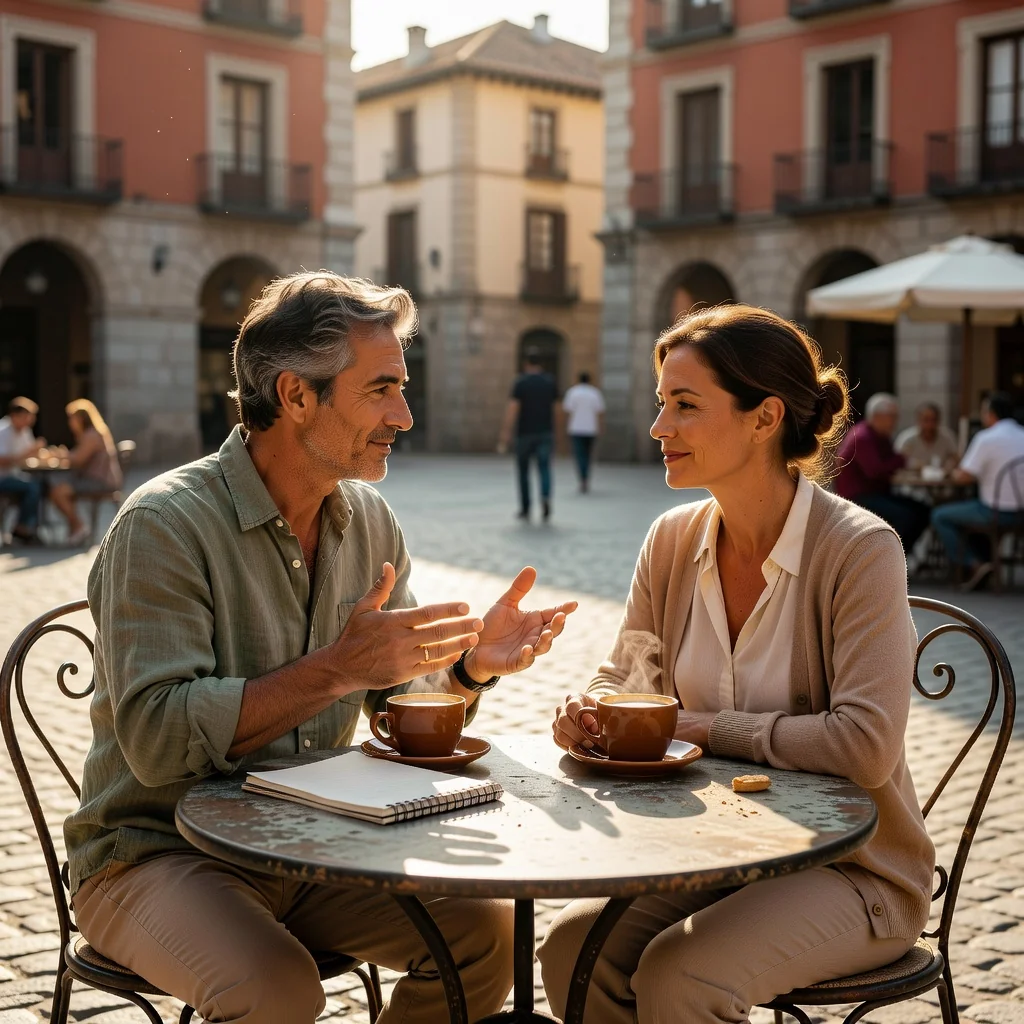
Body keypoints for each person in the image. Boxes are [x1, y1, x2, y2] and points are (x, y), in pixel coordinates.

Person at [65, 272, 577, 1024]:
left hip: (316, 843)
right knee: (275, 989)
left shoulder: (370, 521)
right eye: (381, 390)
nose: (404, 415)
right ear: (295, 394)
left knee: (484, 935)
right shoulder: (164, 523)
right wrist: (335, 669)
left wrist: (468, 670)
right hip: (156, 850)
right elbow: (156, 740)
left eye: (403, 388)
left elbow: (393, 707)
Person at [540, 305, 934, 1024]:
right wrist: (594, 710)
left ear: (765, 418)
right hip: (710, 852)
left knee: (682, 974)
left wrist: (700, 726)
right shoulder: (671, 539)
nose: (659, 427)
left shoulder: (859, 549)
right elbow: (627, 675)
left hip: (852, 869)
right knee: (571, 950)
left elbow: (866, 746)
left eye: (686, 405)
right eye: (662, 403)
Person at [931, 391, 1024, 591]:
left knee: (939, 515)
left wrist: (951, 472)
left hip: (994, 512)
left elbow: (964, 477)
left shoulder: (986, 438)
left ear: (991, 414)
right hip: (1020, 512)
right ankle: (985, 563)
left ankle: (974, 565)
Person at [834, 392, 930, 555]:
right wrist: (901, 460)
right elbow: (875, 471)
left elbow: (890, 462)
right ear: (877, 417)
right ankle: (889, 557)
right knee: (906, 516)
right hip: (858, 497)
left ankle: (900, 557)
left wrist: (900, 461)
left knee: (923, 510)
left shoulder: (881, 436)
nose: (895, 422)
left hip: (877, 493)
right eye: (892, 417)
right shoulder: (863, 436)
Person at [48, 399, 124, 546]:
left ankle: (78, 526)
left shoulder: (92, 435)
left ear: (81, 419)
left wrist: (59, 455)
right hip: (93, 478)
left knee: (59, 492)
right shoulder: (90, 434)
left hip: (99, 481)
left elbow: (78, 460)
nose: (70, 423)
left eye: (72, 419)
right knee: (58, 488)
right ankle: (76, 529)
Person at [497, 350, 558, 521]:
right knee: (545, 468)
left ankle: (525, 507)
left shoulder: (521, 382)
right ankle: (545, 497)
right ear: (541, 364)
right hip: (545, 431)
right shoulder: (549, 382)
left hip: (525, 433)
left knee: (523, 471)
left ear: (526, 363)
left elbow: (513, 408)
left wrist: (505, 433)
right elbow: (556, 408)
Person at [0, 397, 45, 542]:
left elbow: (30, 455)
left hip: (15, 475)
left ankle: (28, 528)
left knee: (41, 485)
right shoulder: (3, 431)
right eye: (26, 417)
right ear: (14, 416)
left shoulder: (25, 431)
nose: (29, 421)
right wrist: (28, 453)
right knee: (32, 487)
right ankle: (22, 529)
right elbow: (2, 461)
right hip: (3, 477)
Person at [562, 371, 605, 492]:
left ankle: (582, 478)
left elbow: (568, 411)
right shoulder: (594, 393)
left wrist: (566, 426)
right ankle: (586, 476)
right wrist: (601, 427)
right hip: (591, 428)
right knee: (588, 454)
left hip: (576, 428)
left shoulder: (573, 392)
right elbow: (600, 412)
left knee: (579, 455)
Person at [894, 401, 959, 472]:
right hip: (911, 477)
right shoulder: (907, 438)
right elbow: (896, 461)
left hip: (941, 476)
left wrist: (948, 466)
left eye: (933, 420)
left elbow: (955, 457)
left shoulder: (947, 437)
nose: (929, 425)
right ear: (918, 420)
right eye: (926, 420)